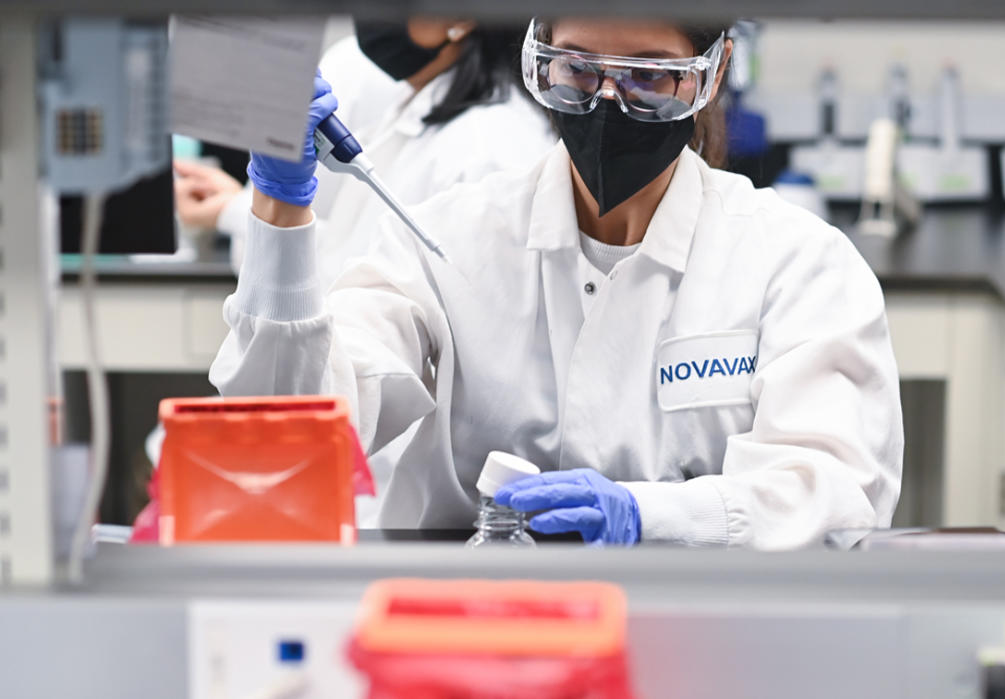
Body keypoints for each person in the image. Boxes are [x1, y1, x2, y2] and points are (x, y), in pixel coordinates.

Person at [210, 17, 903, 550]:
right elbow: (289, 435)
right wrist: (281, 210)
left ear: (711, 73)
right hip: (463, 632)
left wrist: (647, 515)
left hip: (699, 635)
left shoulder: (795, 263)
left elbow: (837, 495)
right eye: (576, 67)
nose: (606, 100)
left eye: (648, 76)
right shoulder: (448, 238)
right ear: (538, 58)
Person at [173, 17, 555, 282]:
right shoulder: (420, 114)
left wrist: (239, 210)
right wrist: (239, 205)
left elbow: (378, 294)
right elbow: (355, 259)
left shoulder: (487, 148)